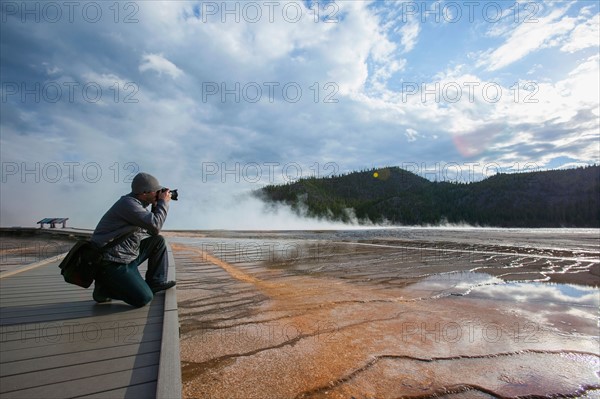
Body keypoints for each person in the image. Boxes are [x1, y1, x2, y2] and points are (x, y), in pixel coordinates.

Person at [90, 172, 176, 307]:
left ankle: (156, 282)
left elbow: (152, 232)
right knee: (144, 298)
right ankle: (104, 289)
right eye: (156, 192)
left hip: (127, 256)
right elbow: (155, 225)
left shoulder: (138, 204)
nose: (158, 194)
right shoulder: (128, 204)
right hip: (111, 261)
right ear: (144, 193)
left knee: (158, 241)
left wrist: (155, 206)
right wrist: (163, 203)